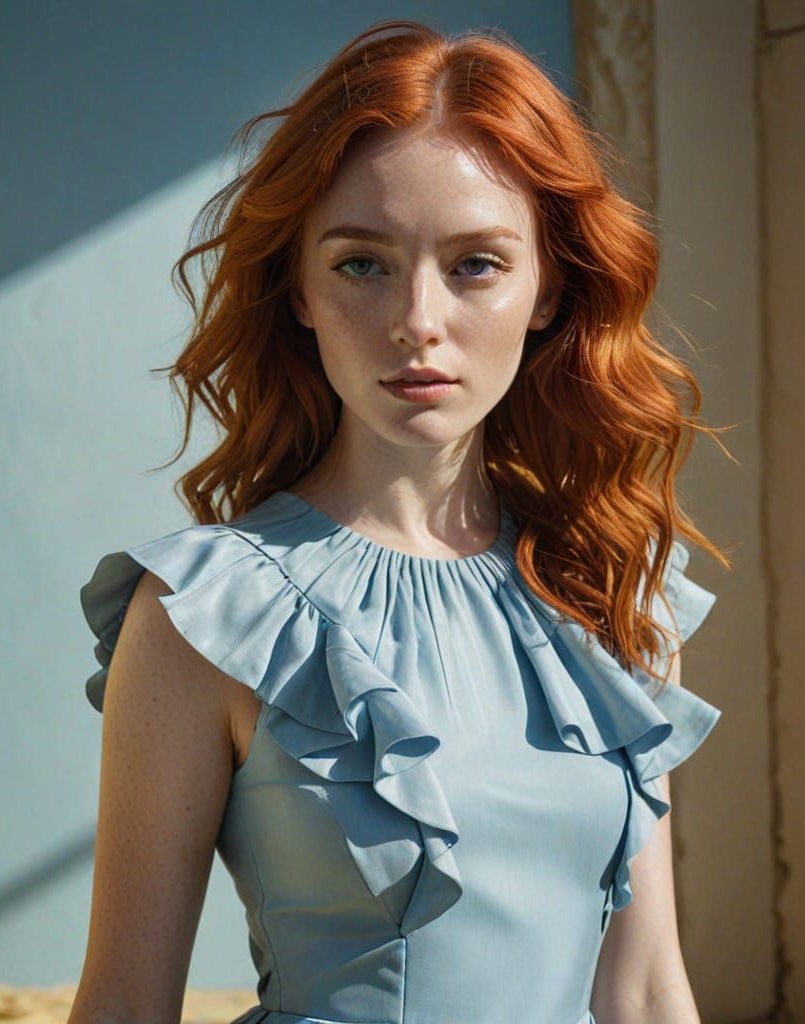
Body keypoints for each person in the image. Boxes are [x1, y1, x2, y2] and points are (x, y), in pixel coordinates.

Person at [68, 19, 730, 1024]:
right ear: (298, 286)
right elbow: (123, 1003)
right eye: (361, 264)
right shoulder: (201, 618)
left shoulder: (612, 588)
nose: (418, 320)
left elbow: (642, 988)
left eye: (475, 264)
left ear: (548, 289)